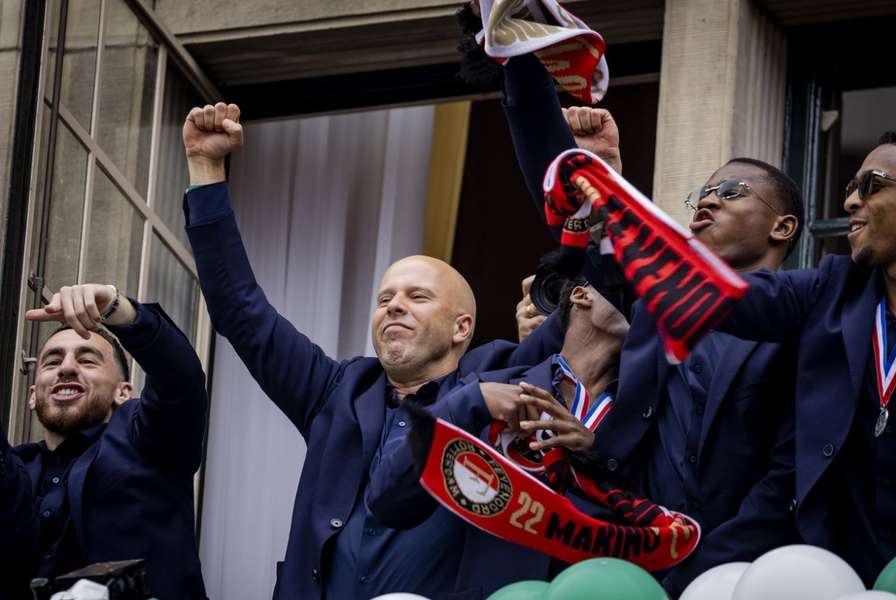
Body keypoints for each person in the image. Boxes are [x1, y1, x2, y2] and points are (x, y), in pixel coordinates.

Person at [180, 102, 563, 599]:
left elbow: (586, 342)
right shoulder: (336, 391)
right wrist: (207, 170)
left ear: (461, 327)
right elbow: (241, 313)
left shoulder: (495, 381)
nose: (394, 307)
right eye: (384, 299)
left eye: (417, 297)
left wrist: (547, 331)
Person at [502, 52, 803, 594]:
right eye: (700, 194)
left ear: (783, 226)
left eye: (730, 191)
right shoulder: (650, 309)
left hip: (749, 577)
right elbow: (570, 206)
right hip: (630, 570)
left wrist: (703, 567)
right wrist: (522, 63)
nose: (706, 200)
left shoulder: (806, 319)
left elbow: (789, 474)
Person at [696, 128, 896, 585]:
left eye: (872, 184)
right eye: (850, 189)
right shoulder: (831, 289)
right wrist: (608, 216)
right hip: (832, 581)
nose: (850, 203)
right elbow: (729, 297)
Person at [365, 275, 631, 592]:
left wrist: (595, 455)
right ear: (581, 295)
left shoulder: (642, 417)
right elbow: (387, 498)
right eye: (632, 287)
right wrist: (473, 402)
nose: (647, 303)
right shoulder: (488, 387)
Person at [0, 284, 209, 599]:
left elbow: (180, 378)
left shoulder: (148, 441)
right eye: (52, 362)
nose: (67, 368)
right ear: (32, 396)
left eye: (87, 360)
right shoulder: (16, 466)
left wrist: (116, 308)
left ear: (123, 392)